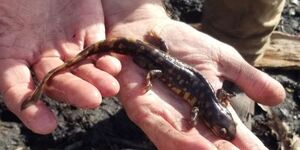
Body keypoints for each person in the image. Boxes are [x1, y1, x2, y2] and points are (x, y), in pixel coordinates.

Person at [0, 0, 285, 149]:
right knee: (154, 66)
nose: (220, 130)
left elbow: (217, 97)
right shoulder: (205, 106)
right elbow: (206, 104)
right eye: (221, 129)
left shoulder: (211, 103)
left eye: (222, 130)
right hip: (155, 60)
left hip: (158, 58)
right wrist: (151, 79)